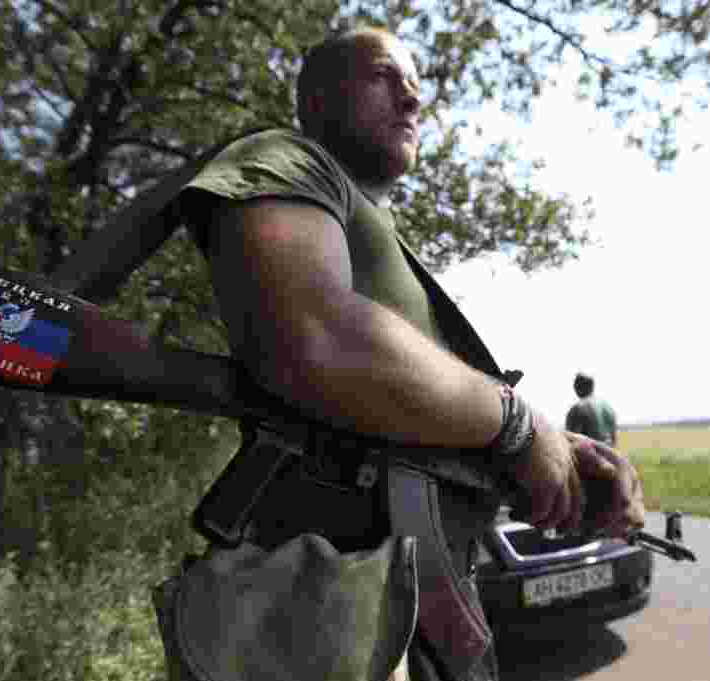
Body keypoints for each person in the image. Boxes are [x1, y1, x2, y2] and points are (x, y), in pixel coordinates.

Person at [172, 26, 645, 681]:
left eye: (415, 88)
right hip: (320, 603)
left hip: (397, 609)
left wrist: (559, 452)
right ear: (315, 100)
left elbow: (415, 415)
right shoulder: (286, 160)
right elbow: (320, 339)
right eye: (383, 77)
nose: (411, 99)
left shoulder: (378, 245)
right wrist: (515, 420)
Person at [566, 372, 618, 446]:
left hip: (589, 456)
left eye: (575, 385)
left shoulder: (577, 408)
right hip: (608, 454)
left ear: (578, 387)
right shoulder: (608, 407)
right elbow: (614, 439)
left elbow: (571, 442)